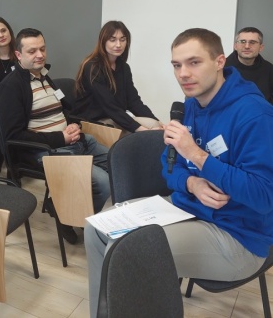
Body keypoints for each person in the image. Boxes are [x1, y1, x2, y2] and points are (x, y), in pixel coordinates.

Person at [85, 28, 273, 317]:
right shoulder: (191, 104)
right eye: (176, 65)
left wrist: (196, 155)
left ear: (220, 61)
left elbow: (263, 197)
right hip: (187, 208)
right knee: (96, 229)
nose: (183, 73)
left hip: (237, 234)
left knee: (128, 253)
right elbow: (170, 168)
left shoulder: (255, 115)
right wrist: (192, 183)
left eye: (194, 62)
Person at [0, 28, 110, 243]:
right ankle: (68, 216)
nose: (40, 55)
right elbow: (14, 136)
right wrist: (61, 138)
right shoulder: (11, 87)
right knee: (103, 182)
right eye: (32, 51)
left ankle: (66, 208)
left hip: (74, 141)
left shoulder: (44, 76)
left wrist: (73, 124)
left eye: (42, 49)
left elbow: (65, 109)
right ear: (18, 55)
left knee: (116, 163)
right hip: (45, 150)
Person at [74, 20, 161, 133]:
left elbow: (134, 102)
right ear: (103, 41)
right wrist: (142, 130)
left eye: (122, 39)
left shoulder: (124, 67)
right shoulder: (92, 67)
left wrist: (159, 123)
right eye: (113, 40)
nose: (118, 44)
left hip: (113, 118)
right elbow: (109, 106)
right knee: (141, 135)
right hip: (92, 121)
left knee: (154, 125)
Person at [225, 26, 273, 103]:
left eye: (252, 42)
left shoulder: (270, 70)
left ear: (261, 47)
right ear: (235, 46)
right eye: (242, 41)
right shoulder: (221, 67)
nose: (247, 46)